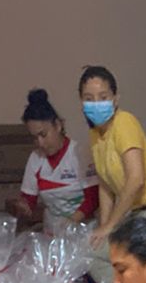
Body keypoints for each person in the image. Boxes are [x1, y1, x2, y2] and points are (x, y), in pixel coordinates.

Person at [79, 65, 146, 244]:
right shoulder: (95, 134)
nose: (96, 103)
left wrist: (110, 225)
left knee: (129, 252)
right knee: (94, 252)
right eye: (89, 99)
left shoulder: (124, 122)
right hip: (135, 215)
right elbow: (105, 186)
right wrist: (103, 227)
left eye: (103, 97)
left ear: (115, 99)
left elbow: (136, 179)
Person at [8, 88, 99, 235]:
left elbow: (93, 198)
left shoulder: (80, 153)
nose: (40, 143)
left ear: (58, 125)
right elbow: (29, 199)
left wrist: (72, 221)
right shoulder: (35, 159)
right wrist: (23, 207)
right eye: (35, 137)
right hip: (52, 232)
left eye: (43, 135)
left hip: (82, 231)